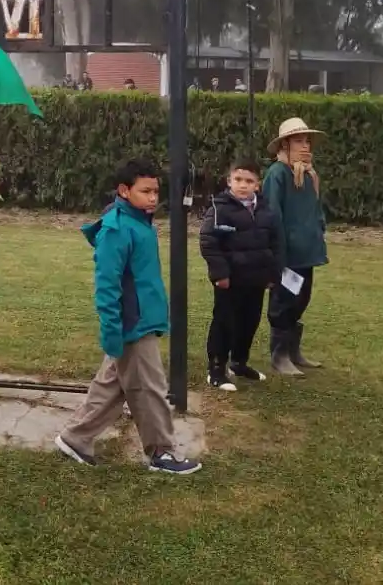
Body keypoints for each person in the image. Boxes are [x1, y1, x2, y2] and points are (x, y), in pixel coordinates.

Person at [54, 159, 202, 476]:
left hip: (142, 320)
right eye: (145, 191)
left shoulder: (139, 222)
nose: (153, 198)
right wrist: (113, 331)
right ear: (124, 191)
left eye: (156, 191)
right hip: (132, 326)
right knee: (150, 389)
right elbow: (106, 287)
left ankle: (75, 439)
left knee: (112, 387)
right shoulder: (116, 230)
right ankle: (162, 452)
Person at [199, 157, 281, 391]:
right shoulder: (219, 209)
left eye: (249, 181)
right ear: (229, 181)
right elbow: (209, 243)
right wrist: (220, 274)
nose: (243, 185)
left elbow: (274, 243)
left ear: (258, 184)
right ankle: (216, 369)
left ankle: (239, 362)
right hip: (230, 281)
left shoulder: (266, 211)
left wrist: (272, 274)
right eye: (238, 179)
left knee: (249, 322)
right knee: (225, 322)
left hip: (255, 280)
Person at [263, 117, 328, 376]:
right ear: (285, 145)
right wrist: (277, 253)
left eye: (307, 141)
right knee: (283, 300)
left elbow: (315, 209)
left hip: (306, 253)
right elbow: (272, 214)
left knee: (301, 299)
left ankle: (293, 351)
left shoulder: (309, 175)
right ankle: (279, 355)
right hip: (287, 255)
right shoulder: (277, 174)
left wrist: (319, 228)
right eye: (299, 141)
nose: (305, 146)